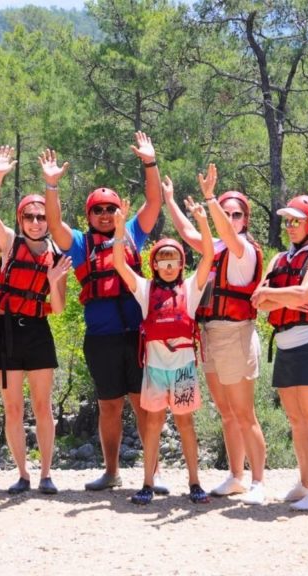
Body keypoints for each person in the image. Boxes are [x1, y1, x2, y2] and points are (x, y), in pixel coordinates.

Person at [41, 133, 167, 492]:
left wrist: (150, 162)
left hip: (137, 335)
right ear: (89, 215)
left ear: (118, 212)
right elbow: (53, 225)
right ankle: (111, 472)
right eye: (98, 209)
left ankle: (152, 474)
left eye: (110, 208)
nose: (105, 214)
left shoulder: (131, 234)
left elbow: (154, 203)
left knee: (144, 406)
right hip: (101, 339)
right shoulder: (80, 244)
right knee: (109, 406)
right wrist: (51, 186)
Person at [162, 164, 267, 505]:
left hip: (235, 333)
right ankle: (236, 476)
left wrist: (210, 199)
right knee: (226, 412)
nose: (231, 218)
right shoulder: (217, 247)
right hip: (209, 333)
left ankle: (258, 481)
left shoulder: (243, 250)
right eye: (227, 212)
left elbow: (222, 232)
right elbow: (188, 232)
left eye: (236, 214)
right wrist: (169, 200)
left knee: (244, 412)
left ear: (244, 220)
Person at [112, 198, 213, 505]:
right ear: (154, 264)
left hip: (183, 369)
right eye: (163, 260)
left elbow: (209, 254)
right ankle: (147, 484)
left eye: (174, 260)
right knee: (153, 423)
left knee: (185, 423)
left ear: (182, 264)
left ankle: (195, 483)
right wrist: (119, 229)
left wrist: (203, 222)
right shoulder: (145, 290)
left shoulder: (192, 288)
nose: (168, 265)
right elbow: (119, 264)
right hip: (155, 369)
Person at [0, 146, 72, 495]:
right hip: (6, 331)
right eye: (29, 217)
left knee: (42, 406)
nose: (36, 222)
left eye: (40, 217)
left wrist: (53, 282)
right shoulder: (9, 242)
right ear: (20, 220)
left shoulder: (57, 254)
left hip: (37, 330)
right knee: (13, 406)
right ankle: (22, 473)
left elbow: (60, 308)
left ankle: (46, 474)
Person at [251, 195, 308, 512]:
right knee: (296, 420)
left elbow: (305, 293)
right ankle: (306, 483)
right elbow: (257, 301)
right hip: (286, 346)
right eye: (287, 221)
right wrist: (282, 298)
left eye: (296, 221)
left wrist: (273, 294)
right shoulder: (280, 260)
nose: (289, 226)